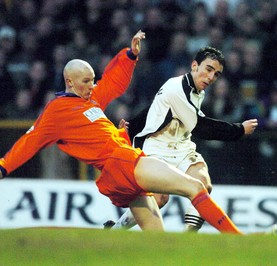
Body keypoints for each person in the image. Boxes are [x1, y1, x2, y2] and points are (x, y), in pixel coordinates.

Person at [0, 30, 244, 235]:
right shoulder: (57, 111)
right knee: (195, 187)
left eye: (92, 79)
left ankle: (111, 237)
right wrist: (3, 166)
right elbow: (30, 141)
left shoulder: (91, 98)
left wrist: (130, 56)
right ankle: (239, 240)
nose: (91, 85)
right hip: (123, 162)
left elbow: (113, 82)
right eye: (85, 81)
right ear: (69, 82)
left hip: (118, 172)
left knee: (160, 244)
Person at [107, 46, 258, 232]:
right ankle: (116, 230)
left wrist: (131, 125)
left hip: (180, 146)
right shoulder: (177, 88)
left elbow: (154, 108)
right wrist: (239, 130)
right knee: (159, 199)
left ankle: (187, 238)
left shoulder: (197, 92)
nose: (211, 77)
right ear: (194, 65)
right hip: (156, 147)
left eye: (217, 74)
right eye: (209, 69)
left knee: (203, 183)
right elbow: (201, 127)